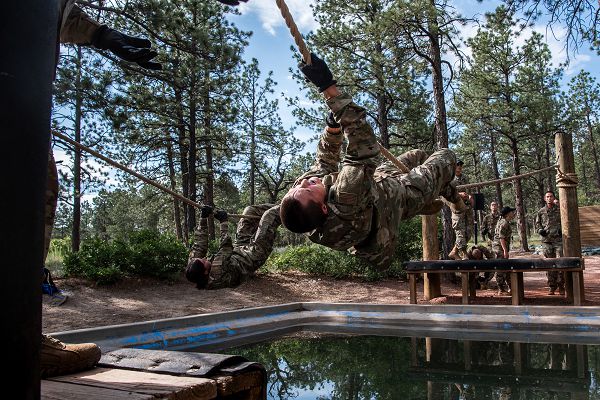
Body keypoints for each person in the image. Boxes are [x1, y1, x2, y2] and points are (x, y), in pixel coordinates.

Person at [279, 53, 464, 270]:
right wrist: (329, 89)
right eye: (308, 188)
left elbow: (324, 163)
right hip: (401, 196)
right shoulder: (347, 198)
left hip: (377, 186)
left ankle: (438, 193)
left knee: (418, 155)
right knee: (446, 156)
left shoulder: (306, 216)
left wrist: (332, 129)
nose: (304, 182)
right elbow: (363, 143)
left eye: (297, 186)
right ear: (325, 208)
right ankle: (450, 202)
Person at [186, 204, 281, 289]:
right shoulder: (216, 275)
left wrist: (203, 218)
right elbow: (225, 247)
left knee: (249, 211)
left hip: (238, 250)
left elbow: (199, 246)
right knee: (270, 215)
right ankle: (291, 205)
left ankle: (284, 203)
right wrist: (223, 222)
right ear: (205, 272)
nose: (204, 258)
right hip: (253, 256)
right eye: (204, 261)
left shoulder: (194, 266)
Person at [535, 191, 564, 295]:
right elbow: (537, 224)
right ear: (544, 198)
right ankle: (552, 286)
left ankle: (561, 285)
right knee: (549, 264)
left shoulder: (560, 210)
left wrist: (562, 229)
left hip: (558, 240)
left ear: (554, 198)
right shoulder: (541, 211)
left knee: (560, 262)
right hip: (547, 241)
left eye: (551, 196)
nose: (549, 198)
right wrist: (540, 230)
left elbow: (565, 221)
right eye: (547, 196)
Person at [448, 160, 474, 260]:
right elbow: (445, 194)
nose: (459, 167)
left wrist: (470, 197)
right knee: (460, 231)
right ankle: (464, 253)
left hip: (467, 207)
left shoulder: (465, 178)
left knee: (468, 231)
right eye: (457, 165)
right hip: (457, 208)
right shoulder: (449, 179)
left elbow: (469, 191)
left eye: (461, 165)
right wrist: (459, 195)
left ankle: (454, 251)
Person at [492, 206, 517, 295]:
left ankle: (508, 288)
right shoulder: (504, 223)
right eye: (511, 212)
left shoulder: (503, 221)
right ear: (507, 214)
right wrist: (505, 251)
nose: (513, 214)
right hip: (499, 249)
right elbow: (501, 238)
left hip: (499, 247)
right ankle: (501, 290)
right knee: (500, 269)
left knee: (504, 268)